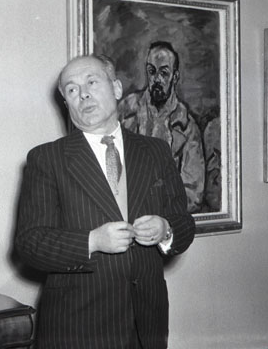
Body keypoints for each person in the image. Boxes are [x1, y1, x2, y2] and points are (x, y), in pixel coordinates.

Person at [14, 55, 195, 348]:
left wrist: (166, 230)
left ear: (117, 88)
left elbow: (184, 223)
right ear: (67, 104)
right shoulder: (46, 159)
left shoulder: (156, 151)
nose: (83, 94)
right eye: (72, 89)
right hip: (77, 328)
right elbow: (30, 244)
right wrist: (93, 241)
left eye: (92, 82)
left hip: (147, 326)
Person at [118, 41, 205, 213]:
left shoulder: (188, 128)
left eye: (164, 73)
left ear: (175, 76)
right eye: (152, 71)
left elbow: (193, 195)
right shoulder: (126, 110)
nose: (157, 79)